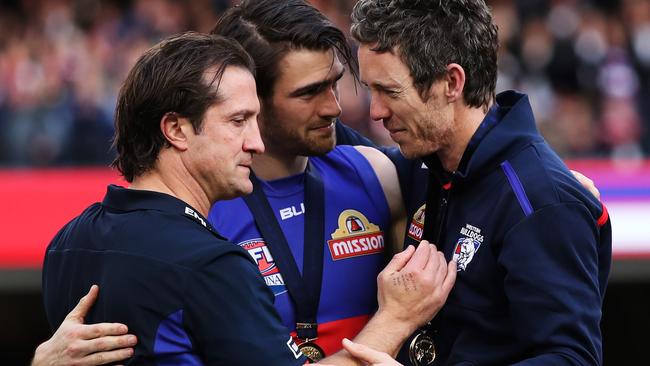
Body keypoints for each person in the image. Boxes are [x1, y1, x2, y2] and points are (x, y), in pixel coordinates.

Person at [41, 30, 455, 365]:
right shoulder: (213, 266)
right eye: (238, 121)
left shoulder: (65, 244)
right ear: (176, 130)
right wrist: (396, 319)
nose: (256, 142)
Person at [350, 0, 612, 365]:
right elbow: (334, 144)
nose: (375, 111)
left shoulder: (541, 199)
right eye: (370, 90)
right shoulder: (426, 163)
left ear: (452, 82)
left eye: (390, 92)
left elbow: (571, 358)